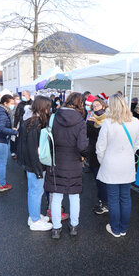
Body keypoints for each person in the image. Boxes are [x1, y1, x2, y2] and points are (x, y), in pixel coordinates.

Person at [45, 92, 88, 239]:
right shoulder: (80, 121)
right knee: (74, 196)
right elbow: (82, 146)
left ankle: (56, 228)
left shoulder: (54, 117)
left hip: (56, 160)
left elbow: (49, 140)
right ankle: (74, 226)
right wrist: (84, 154)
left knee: (56, 196)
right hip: (74, 162)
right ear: (80, 103)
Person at [96, 93, 139, 238]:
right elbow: (136, 145)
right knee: (126, 198)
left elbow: (100, 147)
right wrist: (127, 154)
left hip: (111, 164)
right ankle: (123, 228)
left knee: (113, 199)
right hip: (127, 164)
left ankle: (115, 229)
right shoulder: (135, 121)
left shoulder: (108, 123)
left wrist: (103, 161)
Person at [17, 96, 53, 231]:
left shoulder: (29, 119)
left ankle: (34, 216)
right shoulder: (36, 123)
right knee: (36, 191)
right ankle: (35, 220)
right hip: (35, 164)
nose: (49, 110)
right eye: (48, 107)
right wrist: (38, 169)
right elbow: (33, 150)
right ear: (42, 107)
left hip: (30, 163)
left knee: (35, 191)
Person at [0, 94, 18, 192]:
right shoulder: (2, 113)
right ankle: (2, 184)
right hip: (0, 141)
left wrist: (10, 129)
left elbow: (0, 126)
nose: (13, 105)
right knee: (2, 164)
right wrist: (14, 131)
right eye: (12, 103)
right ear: (5, 103)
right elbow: (1, 128)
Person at [87, 98, 108, 214]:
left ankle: (105, 203)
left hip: (106, 153)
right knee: (98, 180)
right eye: (94, 107)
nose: (96, 108)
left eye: (98, 105)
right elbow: (88, 135)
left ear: (103, 106)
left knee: (105, 180)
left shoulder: (109, 120)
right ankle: (102, 201)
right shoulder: (91, 120)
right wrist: (89, 124)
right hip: (94, 153)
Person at [10, 94, 21, 159]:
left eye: (18, 99)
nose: (18, 100)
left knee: (18, 138)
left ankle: (17, 151)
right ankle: (13, 151)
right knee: (13, 138)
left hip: (19, 124)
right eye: (16, 99)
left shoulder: (20, 106)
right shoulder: (12, 107)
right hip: (13, 124)